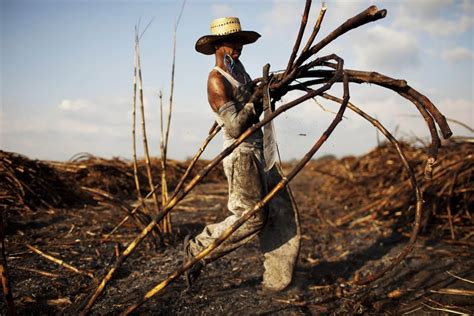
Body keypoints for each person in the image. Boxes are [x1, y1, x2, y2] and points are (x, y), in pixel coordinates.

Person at [184, 17, 301, 292]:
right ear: (217, 46)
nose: (237, 47)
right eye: (231, 42)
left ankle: (277, 281)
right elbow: (236, 126)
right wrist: (255, 98)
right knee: (253, 216)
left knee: (281, 210)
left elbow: (255, 108)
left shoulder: (241, 72)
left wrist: (271, 92)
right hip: (242, 155)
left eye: (239, 42)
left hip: (262, 149)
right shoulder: (216, 81)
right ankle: (197, 250)